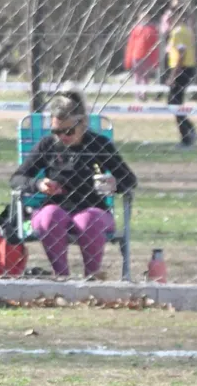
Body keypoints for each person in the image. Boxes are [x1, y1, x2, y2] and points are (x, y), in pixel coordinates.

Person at [9, 92, 137, 279]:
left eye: (68, 131)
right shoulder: (48, 145)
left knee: (87, 221)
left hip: (93, 208)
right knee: (51, 217)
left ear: (82, 123)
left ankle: (91, 278)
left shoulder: (99, 145)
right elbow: (17, 178)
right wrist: (38, 184)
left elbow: (129, 180)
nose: (62, 136)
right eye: (56, 131)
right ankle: (61, 277)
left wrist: (112, 185)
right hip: (55, 206)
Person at [166, 8, 197, 149]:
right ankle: (190, 130)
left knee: (173, 104)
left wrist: (173, 75)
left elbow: (181, 53)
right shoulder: (188, 31)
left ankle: (187, 137)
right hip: (189, 68)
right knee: (176, 104)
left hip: (181, 69)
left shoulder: (177, 32)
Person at [124, 12, 160, 102]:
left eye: (145, 17)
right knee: (137, 76)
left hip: (147, 56)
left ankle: (143, 95)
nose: (144, 19)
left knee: (145, 77)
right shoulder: (136, 29)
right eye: (142, 17)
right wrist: (128, 59)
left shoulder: (152, 29)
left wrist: (155, 60)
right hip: (136, 55)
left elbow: (155, 45)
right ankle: (137, 95)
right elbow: (131, 44)